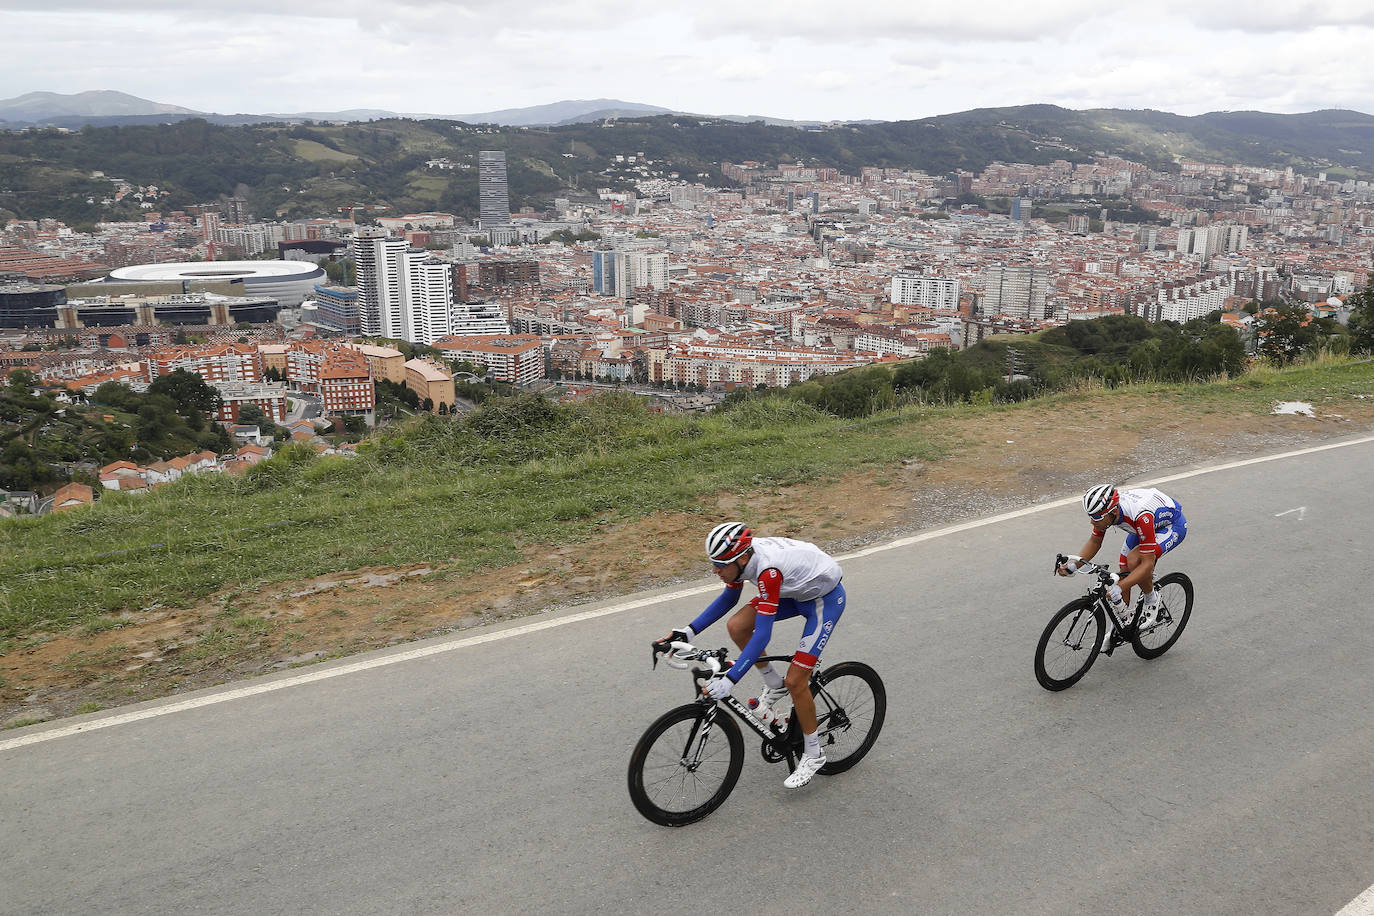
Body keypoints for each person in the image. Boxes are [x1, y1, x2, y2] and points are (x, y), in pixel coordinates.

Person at [660, 522, 846, 789]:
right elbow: (729, 599)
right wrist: (687, 632)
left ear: (742, 558)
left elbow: (762, 636)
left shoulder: (767, 572)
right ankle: (773, 684)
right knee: (737, 626)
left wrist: (730, 680)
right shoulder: (740, 558)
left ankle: (814, 753)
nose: (715, 570)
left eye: (720, 565)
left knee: (796, 681)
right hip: (793, 590)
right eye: (714, 563)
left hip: (823, 600)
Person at [1057, 484, 1187, 633]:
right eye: (1090, 516)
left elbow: (1147, 564)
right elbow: (1095, 542)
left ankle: (1152, 598)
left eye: (1096, 517)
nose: (1092, 522)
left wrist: (1120, 588)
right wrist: (1073, 567)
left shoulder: (1140, 515)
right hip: (1142, 525)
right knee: (1124, 567)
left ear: (1113, 512)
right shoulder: (1105, 511)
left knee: (1134, 561)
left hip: (1171, 525)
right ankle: (1123, 622)